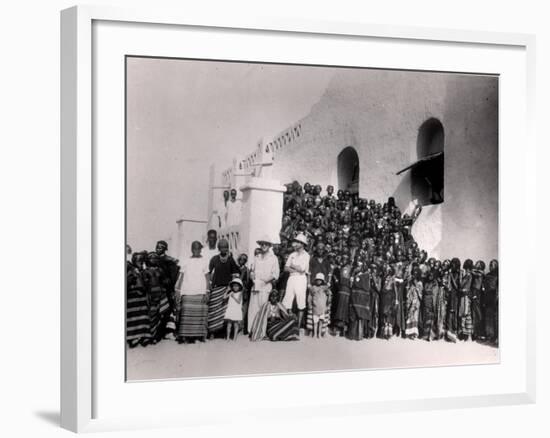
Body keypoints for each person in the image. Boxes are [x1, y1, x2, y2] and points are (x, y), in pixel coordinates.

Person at [174, 241, 210, 344]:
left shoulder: (204, 261)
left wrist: (207, 291)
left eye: (198, 248)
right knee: (186, 314)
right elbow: (180, 276)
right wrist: (178, 289)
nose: (196, 250)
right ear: (191, 249)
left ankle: (198, 336)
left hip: (200, 291)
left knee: (200, 315)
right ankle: (185, 336)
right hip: (187, 291)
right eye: (194, 248)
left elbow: (207, 277)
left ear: (200, 249)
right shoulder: (185, 261)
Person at [207, 239, 240, 338]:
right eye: (222, 247)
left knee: (225, 312)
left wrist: (231, 288)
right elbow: (208, 273)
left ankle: (224, 333)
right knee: (213, 310)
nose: (224, 249)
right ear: (218, 248)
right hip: (216, 288)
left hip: (227, 289)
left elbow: (235, 274)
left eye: (225, 247)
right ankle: (212, 332)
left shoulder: (230, 259)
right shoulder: (214, 259)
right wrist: (209, 285)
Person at [248, 236, 280, 335]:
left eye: (266, 244)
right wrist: (252, 277)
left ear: (269, 246)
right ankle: (252, 330)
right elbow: (252, 270)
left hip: (266, 287)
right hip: (255, 286)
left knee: (264, 309)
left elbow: (275, 274)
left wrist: (266, 280)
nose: (264, 246)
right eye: (262, 244)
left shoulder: (273, 258)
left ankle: (262, 331)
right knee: (253, 309)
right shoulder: (257, 257)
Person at [282, 233, 310, 335]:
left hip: (301, 279)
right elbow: (285, 268)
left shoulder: (306, 255)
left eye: (298, 242)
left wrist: (292, 266)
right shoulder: (292, 254)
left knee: (300, 302)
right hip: (291, 278)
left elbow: (302, 269)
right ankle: (288, 324)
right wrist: (295, 267)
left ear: (302, 244)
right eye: (296, 242)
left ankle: (298, 326)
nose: (296, 244)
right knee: (288, 300)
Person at [126, 253, 151, 347]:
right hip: (132, 296)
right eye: (138, 260)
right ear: (134, 261)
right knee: (132, 317)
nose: (140, 262)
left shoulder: (143, 271)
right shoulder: (130, 270)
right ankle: (132, 338)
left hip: (141, 297)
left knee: (143, 316)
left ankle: (143, 336)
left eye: (141, 260)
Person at [307, 273, 332, 338]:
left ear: (322, 281)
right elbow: (309, 291)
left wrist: (329, 277)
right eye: (318, 280)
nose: (319, 281)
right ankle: (315, 334)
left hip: (322, 308)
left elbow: (329, 285)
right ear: (316, 280)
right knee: (315, 322)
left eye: (320, 280)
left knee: (321, 322)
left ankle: (319, 334)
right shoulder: (313, 288)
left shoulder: (324, 288)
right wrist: (309, 276)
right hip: (315, 308)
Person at [483, 259, 499, 345]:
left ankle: (496, 337)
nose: (491, 266)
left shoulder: (499, 275)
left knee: (496, 319)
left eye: (493, 264)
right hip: (487, 298)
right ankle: (490, 336)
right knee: (488, 318)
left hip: (495, 298)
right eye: (490, 264)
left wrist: (497, 297)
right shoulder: (487, 275)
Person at [405, 267, 423, 339]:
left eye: (416, 274)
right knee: (410, 316)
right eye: (413, 274)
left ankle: (414, 333)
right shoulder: (410, 282)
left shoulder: (420, 283)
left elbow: (420, 294)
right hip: (410, 301)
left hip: (416, 302)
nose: (414, 276)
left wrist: (416, 287)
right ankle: (409, 332)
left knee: (415, 317)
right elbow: (407, 292)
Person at [458, 259, 474, 341]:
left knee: (465, 314)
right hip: (466, 296)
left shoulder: (467, 275)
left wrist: (461, 276)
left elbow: (461, 285)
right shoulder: (470, 274)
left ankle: (467, 335)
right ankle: (467, 335)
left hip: (465, 296)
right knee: (467, 315)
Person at [471, 260, 486, 340]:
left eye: (478, 263)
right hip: (476, 291)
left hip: (477, 292)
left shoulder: (480, 273)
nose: (476, 264)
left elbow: (474, 272)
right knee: (475, 313)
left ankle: (478, 333)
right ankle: (476, 333)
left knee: (477, 313)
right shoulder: (479, 272)